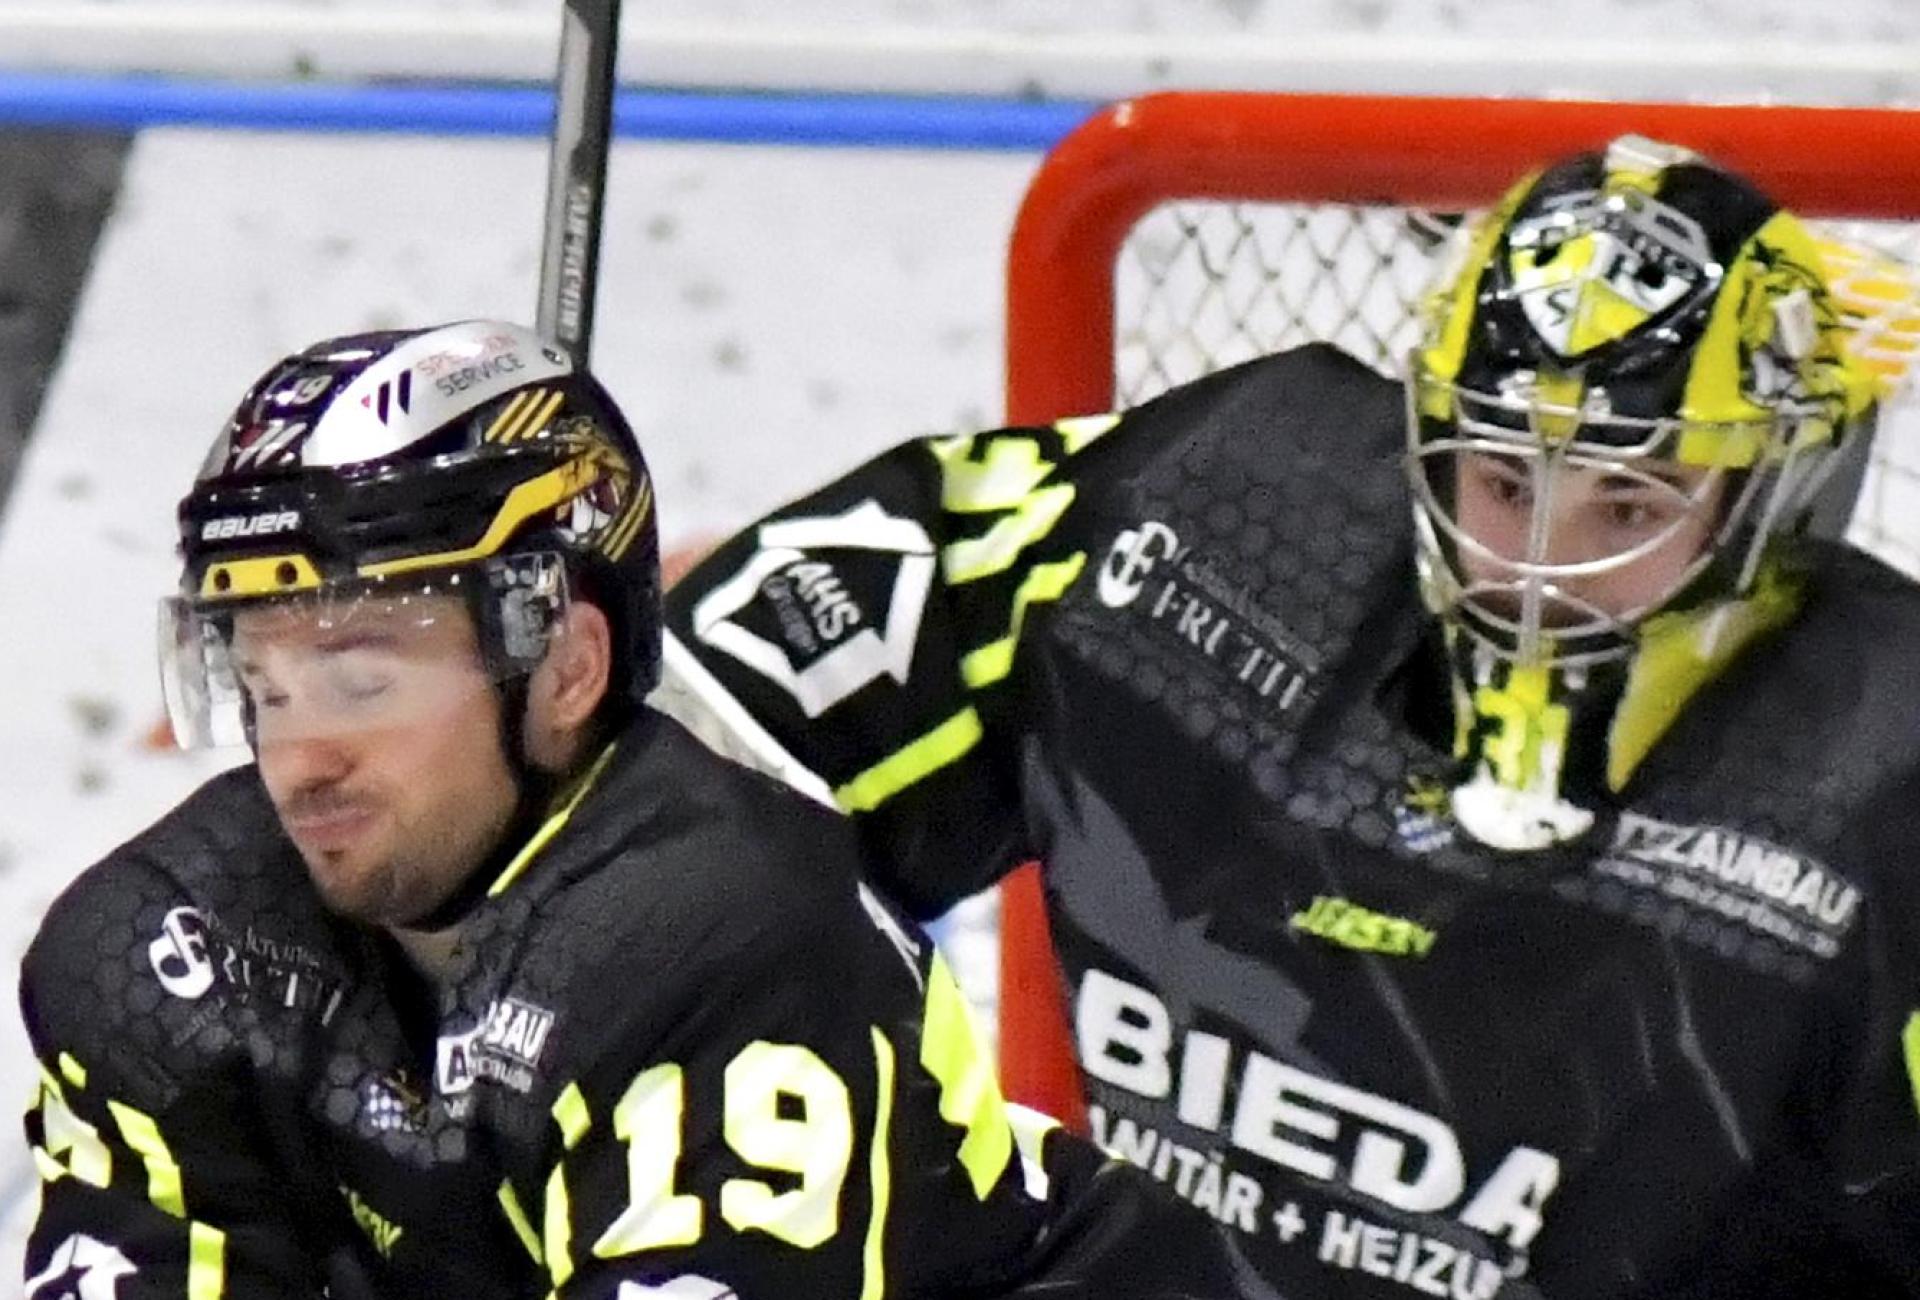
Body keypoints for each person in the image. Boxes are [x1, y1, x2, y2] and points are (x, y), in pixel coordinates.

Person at [656, 135, 1920, 1297]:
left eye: (1627, 507)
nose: (1536, 569)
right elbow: (700, 752)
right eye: (1499, 478)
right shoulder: (1210, 529)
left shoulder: (1887, 789)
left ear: (1770, 505)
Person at [18, 319, 1265, 1299]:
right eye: (266, 680)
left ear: (565, 666)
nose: (303, 756)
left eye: (360, 674)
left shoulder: (725, 944)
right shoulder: (169, 954)